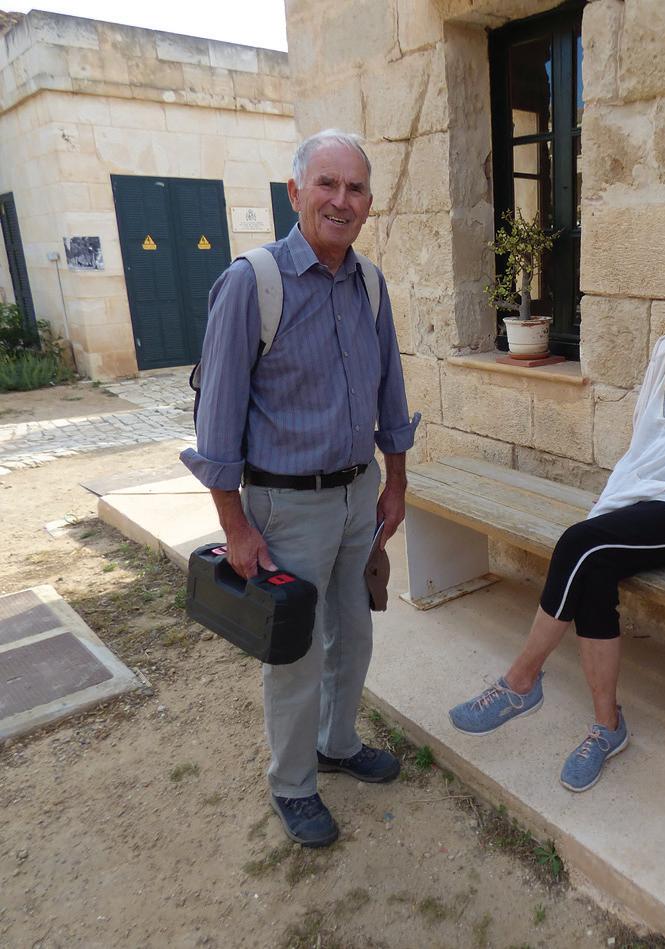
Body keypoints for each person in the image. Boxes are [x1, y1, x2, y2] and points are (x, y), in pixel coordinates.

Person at [448, 254, 665, 792]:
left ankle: (520, 682)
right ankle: (607, 727)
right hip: (637, 499)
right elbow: (643, 441)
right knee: (595, 569)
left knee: (579, 545)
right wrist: (615, 502)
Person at [181, 129, 418, 848]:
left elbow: (390, 387)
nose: (342, 201)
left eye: (356, 188)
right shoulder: (252, 282)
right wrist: (236, 525)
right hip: (285, 507)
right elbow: (217, 419)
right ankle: (292, 782)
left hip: (358, 495)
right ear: (294, 192)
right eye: (327, 184)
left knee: (354, 632)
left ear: (369, 202)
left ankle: (336, 743)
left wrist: (396, 481)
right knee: (295, 650)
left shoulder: (370, 283)